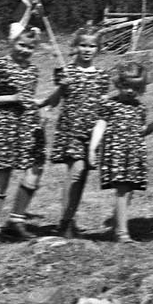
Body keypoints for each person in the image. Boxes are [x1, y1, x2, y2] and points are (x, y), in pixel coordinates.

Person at [0, 23, 46, 248]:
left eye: (30, 47)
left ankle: (16, 220)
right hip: (2, 125)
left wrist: (40, 107)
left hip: (25, 125)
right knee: (2, 174)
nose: (24, 50)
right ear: (12, 42)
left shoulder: (32, 70)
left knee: (35, 169)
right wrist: (12, 98)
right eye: (21, 45)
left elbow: (28, 97)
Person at [41, 27, 111, 240]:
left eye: (92, 46)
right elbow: (54, 99)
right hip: (71, 129)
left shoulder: (101, 75)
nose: (87, 50)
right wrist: (57, 92)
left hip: (92, 133)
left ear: (98, 49)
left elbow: (104, 103)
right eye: (83, 45)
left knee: (82, 177)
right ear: (75, 47)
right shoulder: (66, 71)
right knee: (75, 173)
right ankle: (65, 222)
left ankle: (69, 219)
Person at [88, 62, 153, 243]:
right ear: (118, 84)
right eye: (126, 86)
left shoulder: (139, 108)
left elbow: (142, 131)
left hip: (133, 154)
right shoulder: (109, 104)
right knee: (122, 190)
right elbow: (100, 125)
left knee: (129, 190)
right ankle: (122, 233)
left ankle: (118, 224)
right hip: (116, 154)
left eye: (136, 87)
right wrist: (93, 148)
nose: (131, 91)